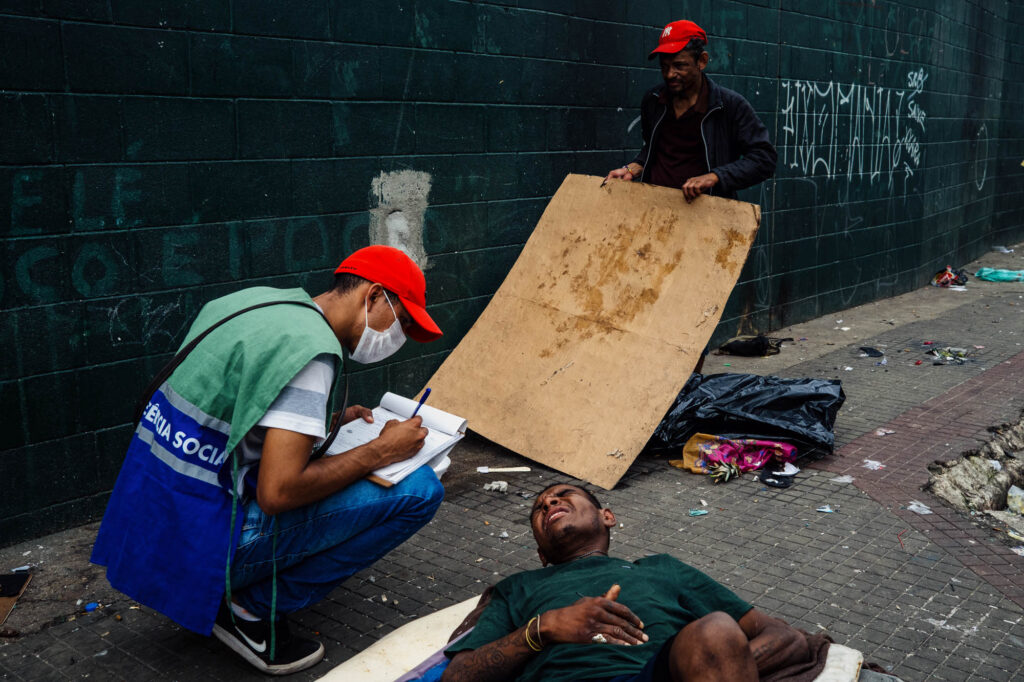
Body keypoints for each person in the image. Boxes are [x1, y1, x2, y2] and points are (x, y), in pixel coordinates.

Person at [92, 245, 446, 676]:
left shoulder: (255, 304)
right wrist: (380, 450)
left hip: (148, 523)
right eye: (403, 323)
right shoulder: (313, 355)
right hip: (202, 545)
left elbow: (238, 414)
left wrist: (324, 422)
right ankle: (247, 608)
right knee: (421, 490)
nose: (400, 339)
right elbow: (278, 493)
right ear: (373, 297)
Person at [442, 482, 812, 682]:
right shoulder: (518, 587)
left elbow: (784, 638)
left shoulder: (661, 569)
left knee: (716, 630)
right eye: (540, 508)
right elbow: (458, 677)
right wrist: (542, 629)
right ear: (541, 554)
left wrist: (714, 665)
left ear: (607, 516)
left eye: (563, 494)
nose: (549, 501)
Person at [604, 19, 777, 203]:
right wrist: (632, 168)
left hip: (705, 217)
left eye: (679, 66)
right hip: (654, 210)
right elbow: (654, 149)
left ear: (701, 61)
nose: (670, 74)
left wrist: (714, 177)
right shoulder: (653, 100)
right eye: (664, 66)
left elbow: (764, 159)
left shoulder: (729, 106)